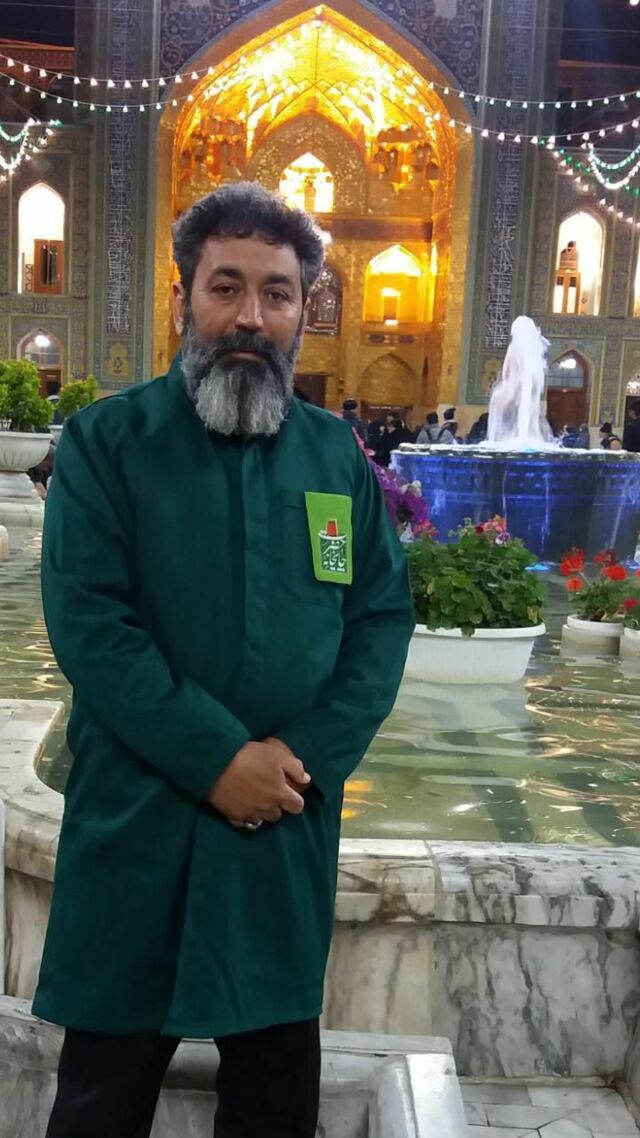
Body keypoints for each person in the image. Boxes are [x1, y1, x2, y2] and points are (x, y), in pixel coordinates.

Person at [35, 183, 415, 1138]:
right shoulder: (108, 444)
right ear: (183, 299)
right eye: (227, 287)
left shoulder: (333, 458)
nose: (251, 315)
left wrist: (299, 759)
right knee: (100, 1101)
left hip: (279, 828)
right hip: (139, 824)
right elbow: (92, 627)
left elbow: (378, 620)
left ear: (303, 310)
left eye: (277, 293)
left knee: (274, 1103)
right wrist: (216, 759)